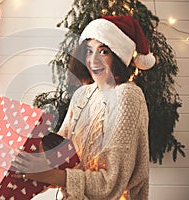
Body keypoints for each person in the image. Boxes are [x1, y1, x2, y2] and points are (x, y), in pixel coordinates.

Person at [11, 15, 155, 200]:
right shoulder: (82, 95)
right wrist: (30, 158)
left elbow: (111, 183)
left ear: (118, 55)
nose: (93, 60)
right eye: (88, 51)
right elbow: (61, 153)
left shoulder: (128, 96)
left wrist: (48, 174)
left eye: (103, 52)